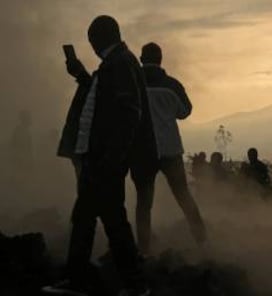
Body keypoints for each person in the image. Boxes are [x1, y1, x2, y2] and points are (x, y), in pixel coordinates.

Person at [43, 16, 149, 296]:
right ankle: (91, 280)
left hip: (104, 161)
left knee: (103, 220)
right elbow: (104, 98)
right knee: (96, 219)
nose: (90, 46)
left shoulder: (120, 64)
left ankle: (124, 284)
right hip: (101, 160)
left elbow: (129, 114)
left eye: (92, 40)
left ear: (100, 38)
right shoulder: (117, 63)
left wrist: (110, 160)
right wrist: (80, 74)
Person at [130, 42, 207, 254]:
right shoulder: (172, 85)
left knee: (144, 204)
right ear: (160, 59)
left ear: (141, 59)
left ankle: (143, 249)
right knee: (184, 196)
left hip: (142, 152)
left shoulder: (133, 84)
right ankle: (202, 240)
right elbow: (184, 112)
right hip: (170, 150)